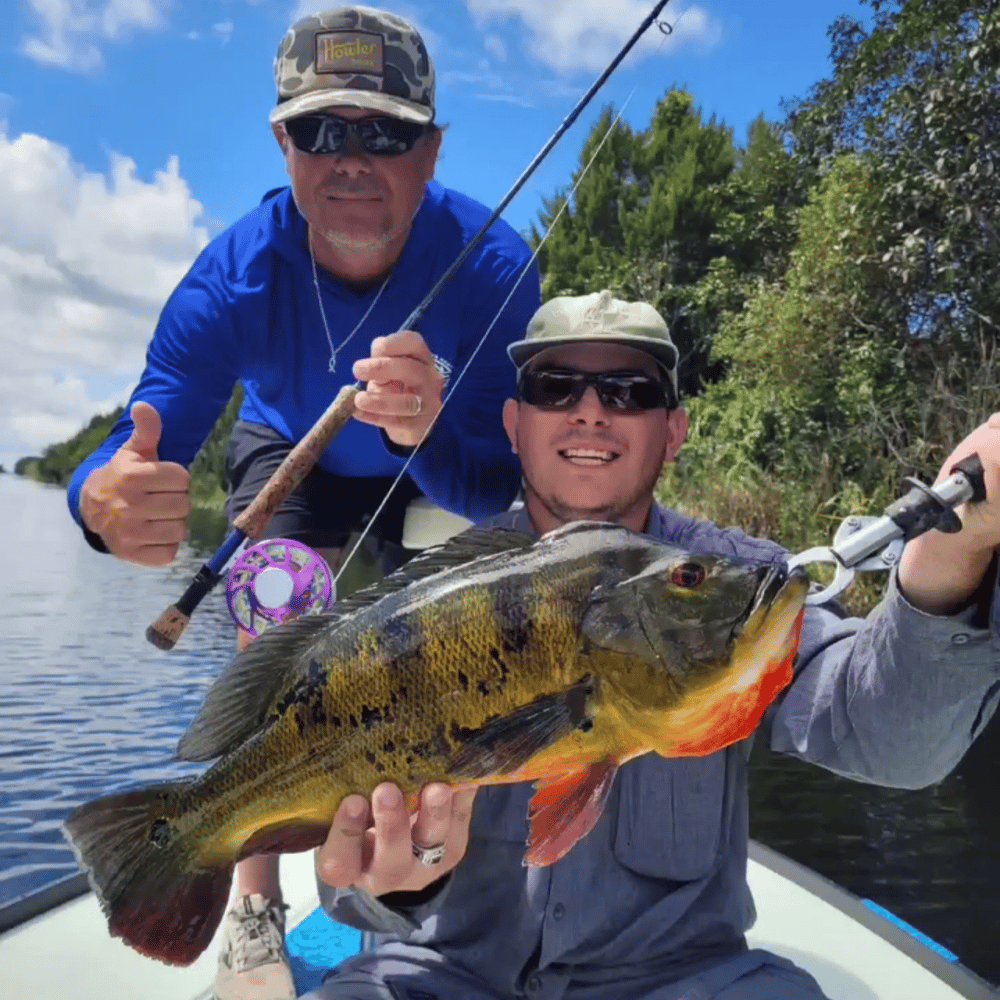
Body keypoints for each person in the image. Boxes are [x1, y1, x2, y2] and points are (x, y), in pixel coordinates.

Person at [304, 289, 1000, 1000]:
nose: (591, 409)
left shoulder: (736, 586)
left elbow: (890, 738)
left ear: (673, 431)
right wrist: (393, 885)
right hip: (440, 977)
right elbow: (345, 891)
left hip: (682, 981)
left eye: (628, 390)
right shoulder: (429, 607)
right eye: (556, 386)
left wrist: (954, 549)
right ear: (514, 426)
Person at [65, 7, 541, 999]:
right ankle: (250, 905)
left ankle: (440, 869)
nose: (354, 157)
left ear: (433, 148)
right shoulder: (230, 279)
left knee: (470, 637)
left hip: (439, 452)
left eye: (387, 131)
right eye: (324, 129)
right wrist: (96, 501)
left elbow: (499, 485)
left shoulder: (498, 267)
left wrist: (426, 430)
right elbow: (136, 440)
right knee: (275, 603)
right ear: (283, 142)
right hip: (290, 450)